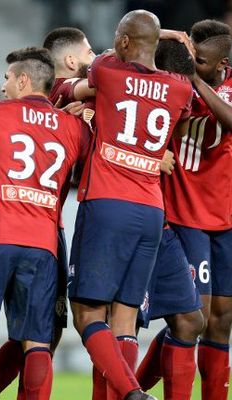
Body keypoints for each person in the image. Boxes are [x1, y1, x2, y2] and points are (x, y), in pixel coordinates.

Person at [0, 47, 90, 400]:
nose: (5, 84)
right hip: (43, 245)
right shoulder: (72, 126)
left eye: (8, 78)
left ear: (24, 79)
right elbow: (90, 171)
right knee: (37, 342)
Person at [68, 10, 192, 400]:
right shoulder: (179, 88)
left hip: (108, 202)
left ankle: (131, 394)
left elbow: (98, 59)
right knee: (125, 318)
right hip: (152, 211)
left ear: (123, 42)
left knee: (87, 314)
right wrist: (160, 35)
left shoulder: (107, 69)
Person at [159, 19, 232, 400]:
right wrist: (167, 38)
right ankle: (137, 389)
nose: (190, 65)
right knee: (192, 319)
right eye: (190, 58)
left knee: (221, 322)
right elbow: (122, 50)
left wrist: (196, 80)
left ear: (221, 65)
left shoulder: (221, 85)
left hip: (225, 218)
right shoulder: (171, 82)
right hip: (185, 214)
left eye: (200, 61)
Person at [134, 38, 204, 400]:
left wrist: (171, 35)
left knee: (190, 320)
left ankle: (135, 392)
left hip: (162, 226)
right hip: (128, 223)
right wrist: (149, 157)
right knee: (122, 326)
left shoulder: (177, 104)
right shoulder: (126, 92)